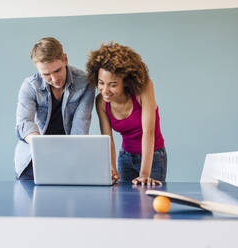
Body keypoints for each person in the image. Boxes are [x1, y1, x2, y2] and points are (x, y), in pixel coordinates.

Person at [86, 42, 167, 186]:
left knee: (148, 203)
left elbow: (148, 132)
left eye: (113, 84)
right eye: (101, 83)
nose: (105, 90)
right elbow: (107, 139)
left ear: (126, 82)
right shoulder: (101, 102)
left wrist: (144, 174)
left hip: (153, 158)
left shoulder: (144, 89)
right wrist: (111, 168)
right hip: (125, 157)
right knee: (125, 203)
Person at [14, 37, 95, 179]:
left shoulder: (85, 83)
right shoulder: (30, 86)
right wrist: (44, 148)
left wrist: (63, 158)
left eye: (58, 70)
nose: (54, 78)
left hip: (70, 158)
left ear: (65, 59)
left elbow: (80, 128)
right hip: (33, 160)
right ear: (38, 69)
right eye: (46, 74)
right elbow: (24, 124)